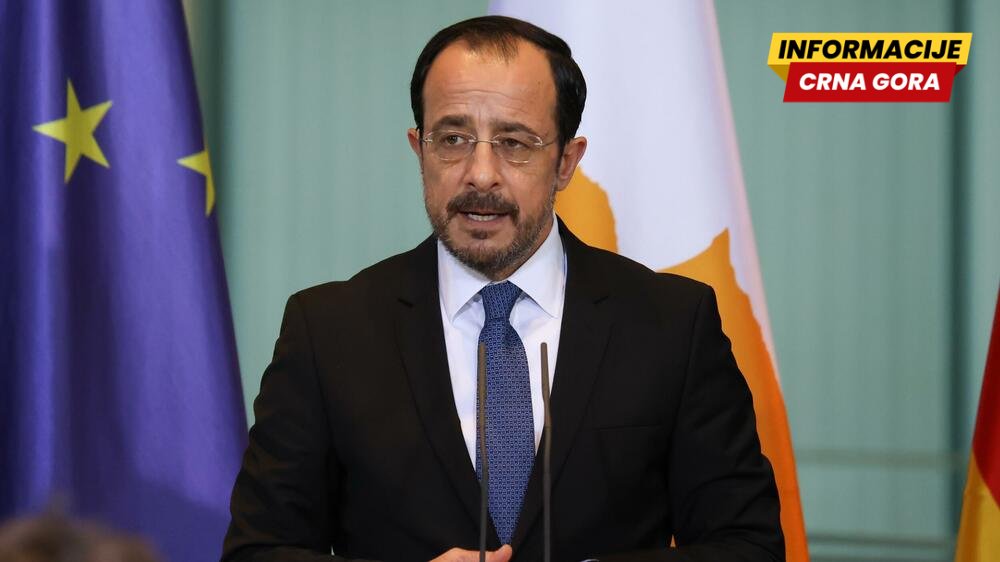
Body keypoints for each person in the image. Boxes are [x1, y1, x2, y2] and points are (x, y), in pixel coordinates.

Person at [222, 15, 783, 562]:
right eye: (453, 139)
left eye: (514, 143)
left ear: (566, 162)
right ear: (419, 149)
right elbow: (258, 550)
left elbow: (748, 545)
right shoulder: (328, 330)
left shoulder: (671, 324)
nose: (481, 173)